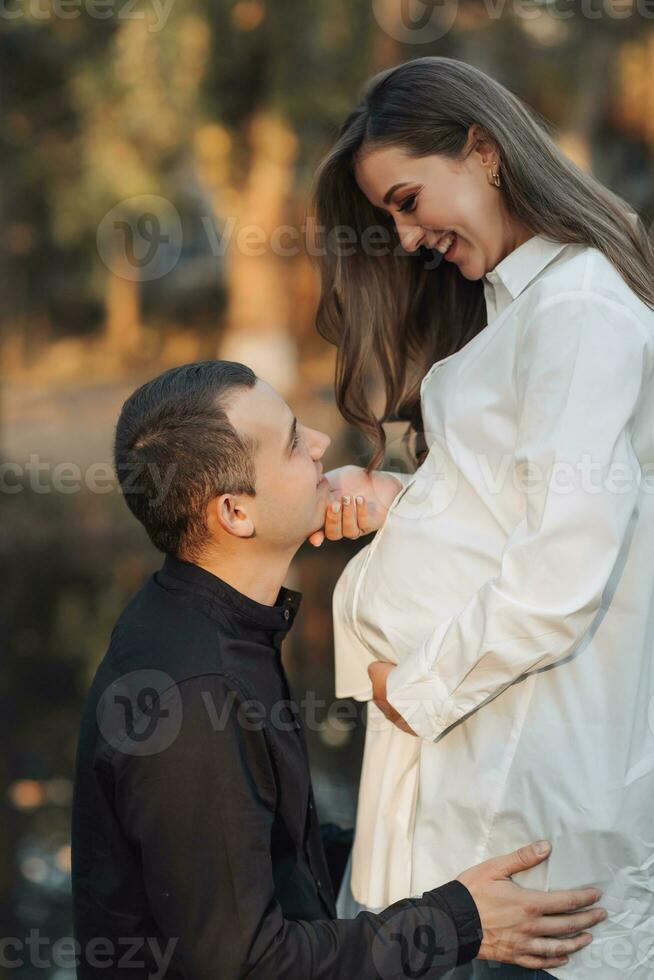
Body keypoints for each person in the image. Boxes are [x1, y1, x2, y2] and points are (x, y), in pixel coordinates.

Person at [70, 361, 606, 980]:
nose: (323, 444)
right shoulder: (195, 701)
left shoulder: (201, 617)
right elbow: (244, 965)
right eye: (296, 442)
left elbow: (269, 849)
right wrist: (459, 923)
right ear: (237, 515)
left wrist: (420, 849)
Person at [308, 56, 654, 979]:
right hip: (481, 773)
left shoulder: (580, 306)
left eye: (411, 200)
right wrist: (403, 502)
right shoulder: (516, 308)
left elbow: (564, 565)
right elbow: (523, 499)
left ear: (485, 151)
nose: (409, 235)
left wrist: (415, 690)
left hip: (532, 799)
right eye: (391, 215)